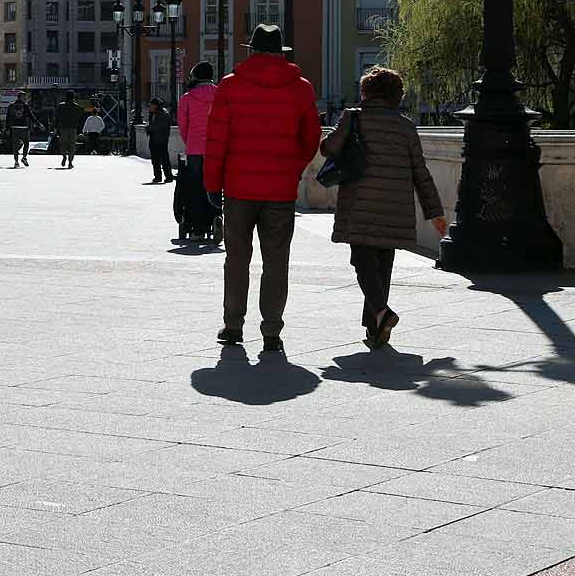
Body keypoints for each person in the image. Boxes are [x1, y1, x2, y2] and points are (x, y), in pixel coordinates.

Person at [204, 25, 321, 352]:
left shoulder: (230, 86)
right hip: (280, 192)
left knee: (236, 258)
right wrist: (291, 168)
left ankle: (233, 325)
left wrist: (213, 184)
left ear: (251, 50)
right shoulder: (301, 89)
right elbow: (311, 138)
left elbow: (216, 141)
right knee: (276, 261)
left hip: (239, 189)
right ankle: (272, 331)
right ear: (281, 51)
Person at [321, 67, 447, 348]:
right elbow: (420, 172)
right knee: (383, 265)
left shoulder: (353, 117)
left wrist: (335, 132)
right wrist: (435, 212)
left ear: (366, 93)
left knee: (363, 262)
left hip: (359, 204)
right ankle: (376, 329)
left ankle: (381, 312)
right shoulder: (406, 127)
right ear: (396, 96)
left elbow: (328, 149)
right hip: (395, 208)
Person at [176, 63, 219, 241]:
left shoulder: (187, 98)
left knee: (195, 187)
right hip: (216, 149)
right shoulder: (221, 95)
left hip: (195, 149)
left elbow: (183, 125)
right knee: (215, 185)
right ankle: (215, 217)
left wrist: (190, 142)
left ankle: (197, 228)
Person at [145, 98, 174, 184]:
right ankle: (157, 177)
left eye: (151, 105)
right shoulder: (152, 114)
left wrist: (148, 127)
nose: (149, 107)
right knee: (155, 160)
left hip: (161, 140)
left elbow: (159, 127)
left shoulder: (163, 114)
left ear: (156, 106)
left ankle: (168, 176)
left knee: (164, 159)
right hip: (154, 139)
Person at [5, 96, 36, 167]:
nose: (25, 99)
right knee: (26, 143)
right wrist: (38, 124)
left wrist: (7, 128)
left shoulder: (11, 106)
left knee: (15, 145)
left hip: (14, 127)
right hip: (24, 127)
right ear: (20, 98)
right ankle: (24, 157)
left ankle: (16, 161)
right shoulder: (25, 106)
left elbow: (8, 117)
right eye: (24, 97)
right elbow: (31, 116)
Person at [53, 92, 82, 168]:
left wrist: (55, 128)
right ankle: (70, 162)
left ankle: (64, 156)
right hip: (73, 129)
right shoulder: (76, 107)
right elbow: (79, 119)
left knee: (63, 144)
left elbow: (56, 118)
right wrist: (79, 131)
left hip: (63, 129)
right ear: (73, 97)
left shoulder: (60, 106)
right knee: (72, 146)